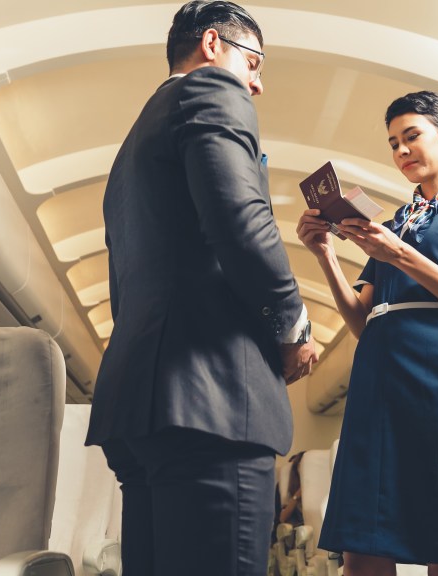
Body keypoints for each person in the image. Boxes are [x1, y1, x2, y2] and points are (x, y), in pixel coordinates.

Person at [84, 2, 319, 575]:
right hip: (211, 398)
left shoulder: (132, 147)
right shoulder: (211, 91)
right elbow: (241, 222)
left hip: (142, 405)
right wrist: (293, 327)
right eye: (255, 62)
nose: (258, 83)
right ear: (213, 45)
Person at [296, 91, 438, 576]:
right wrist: (326, 256)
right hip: (378, 377)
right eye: (394, 143)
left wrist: (399, 255)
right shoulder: (394, 222)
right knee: (364, 538)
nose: (401, 152)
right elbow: (362, 320)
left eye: (412, 136)